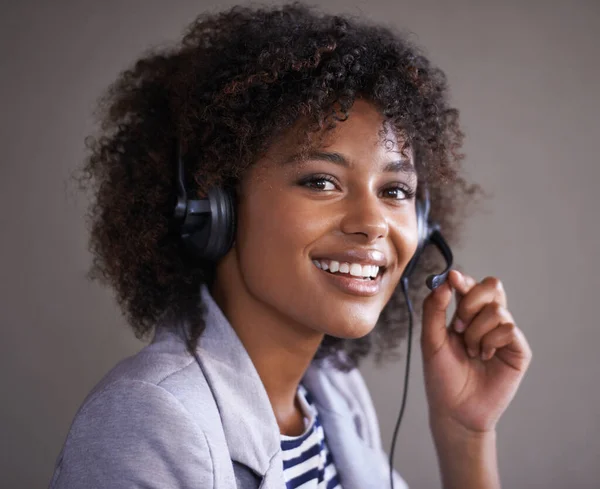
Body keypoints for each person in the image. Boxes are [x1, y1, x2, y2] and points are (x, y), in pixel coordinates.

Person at [49, 3, 532, 488]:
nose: (373, 224)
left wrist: (464, 435)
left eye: (395, 191)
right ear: (214, 204)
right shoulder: (150, 419)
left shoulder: (335, 393)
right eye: (321, 182)